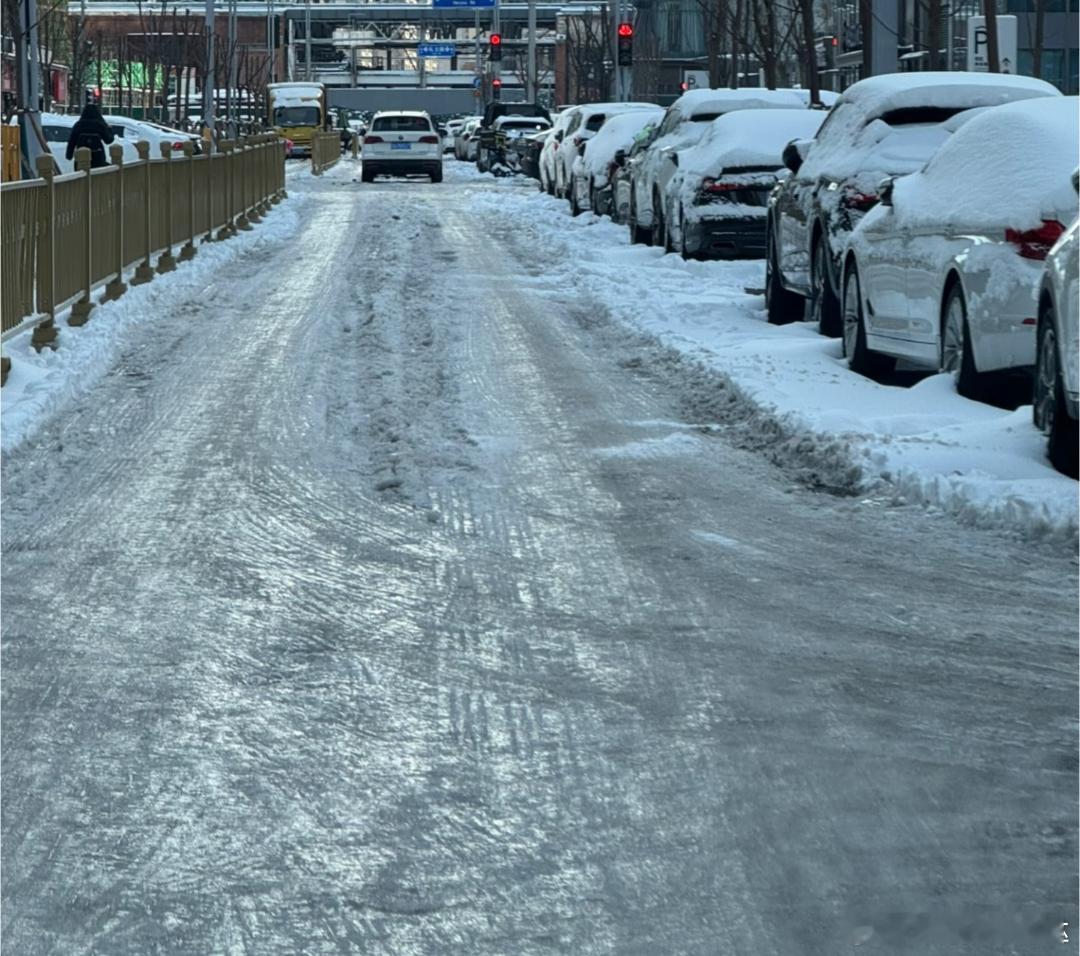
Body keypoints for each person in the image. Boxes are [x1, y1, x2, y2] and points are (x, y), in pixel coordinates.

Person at [65, 102, 115, 169]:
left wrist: (69, 155)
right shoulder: (99, 125)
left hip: (81, 158)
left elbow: (72, 141)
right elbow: (109, 140)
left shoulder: (79, 125)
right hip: (98, 158)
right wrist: (110, 130)